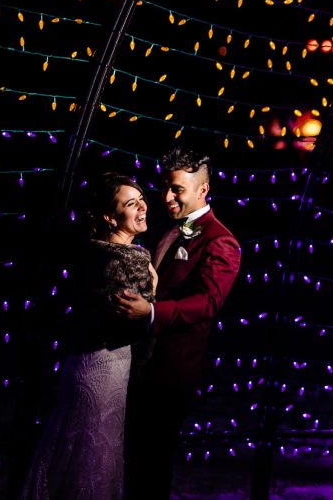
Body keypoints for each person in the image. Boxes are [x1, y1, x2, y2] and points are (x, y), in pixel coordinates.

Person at [116, 146, 241, 499]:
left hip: (171, 372)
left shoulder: (221, 240)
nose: (167, 197)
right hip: (140, 363)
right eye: (166, 187)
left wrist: (151, 313)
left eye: (177, 189)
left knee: (152, 466)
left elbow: (208, 303)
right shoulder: (165, 229)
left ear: (203, 189)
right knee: (132, 460)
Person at [22, 172, 156, 499]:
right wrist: (153, 289)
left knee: (69, 443)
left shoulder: (89, 251)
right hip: (109, 365)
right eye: (130, 204)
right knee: (96, 453)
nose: (141, 208)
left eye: (141, 200)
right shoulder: (134, 257)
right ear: (111, 217)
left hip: (80, 363)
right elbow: (134, 322)